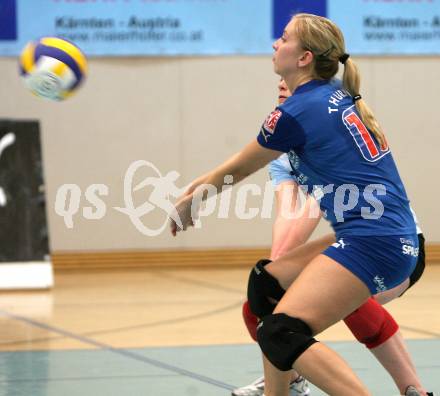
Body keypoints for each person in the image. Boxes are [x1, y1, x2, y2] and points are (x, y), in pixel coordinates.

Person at [170, 13, 426, 395]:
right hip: (379, 234)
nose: (275, 43)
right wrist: (198, 189)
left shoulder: (298, 111)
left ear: (304, 57)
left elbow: (240, 166)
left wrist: (195, 199)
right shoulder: (332, 95)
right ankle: (284, 391)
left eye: (285, 38)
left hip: (377, 242)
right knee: (265, 285)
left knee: (281, 329)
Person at [230, 80, 430, 396]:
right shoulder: (283, 152)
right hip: (356, 242)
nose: (281, 84)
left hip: (397, 244)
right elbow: (287, 221)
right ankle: (289, 381)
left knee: (348, 300)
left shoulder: (325, 127)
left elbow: (311, 212)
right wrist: (279, 274)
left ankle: (413, 388)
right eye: (278, 84)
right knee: (263, 293)